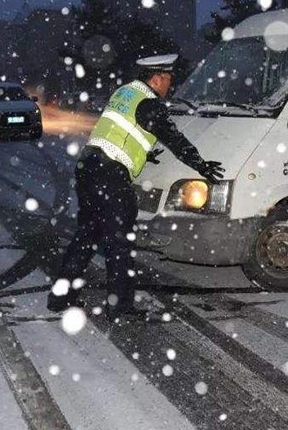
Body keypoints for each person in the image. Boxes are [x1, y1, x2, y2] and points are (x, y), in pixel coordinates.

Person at [47, 54, 224, 321]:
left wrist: (143, 153)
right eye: (168, 79)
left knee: (85, 237)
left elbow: (121, 130)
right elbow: (174, 138)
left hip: (88, 167)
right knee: (119, 245)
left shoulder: (125, 92)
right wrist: (200, 164)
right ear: (157, 78)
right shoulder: (150, 103)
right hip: (110, 176)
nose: (170, 85)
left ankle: (60, 298)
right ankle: (120, 308)